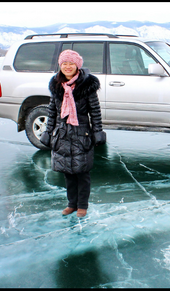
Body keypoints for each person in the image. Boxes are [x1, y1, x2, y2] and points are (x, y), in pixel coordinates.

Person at [40, 49, 106, 218]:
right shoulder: (56, 85)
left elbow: (95, 111)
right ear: (60, 66)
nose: (67, 67)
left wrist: (97, 131)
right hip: (62, 135)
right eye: (64, 64)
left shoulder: (86, 86)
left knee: (82, 173)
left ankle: (82, 205)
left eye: (71, 64)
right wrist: (48, 132)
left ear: (77, 66)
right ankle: (71, 204)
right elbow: (52, 111)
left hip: (81, 133)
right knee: (68, 172)